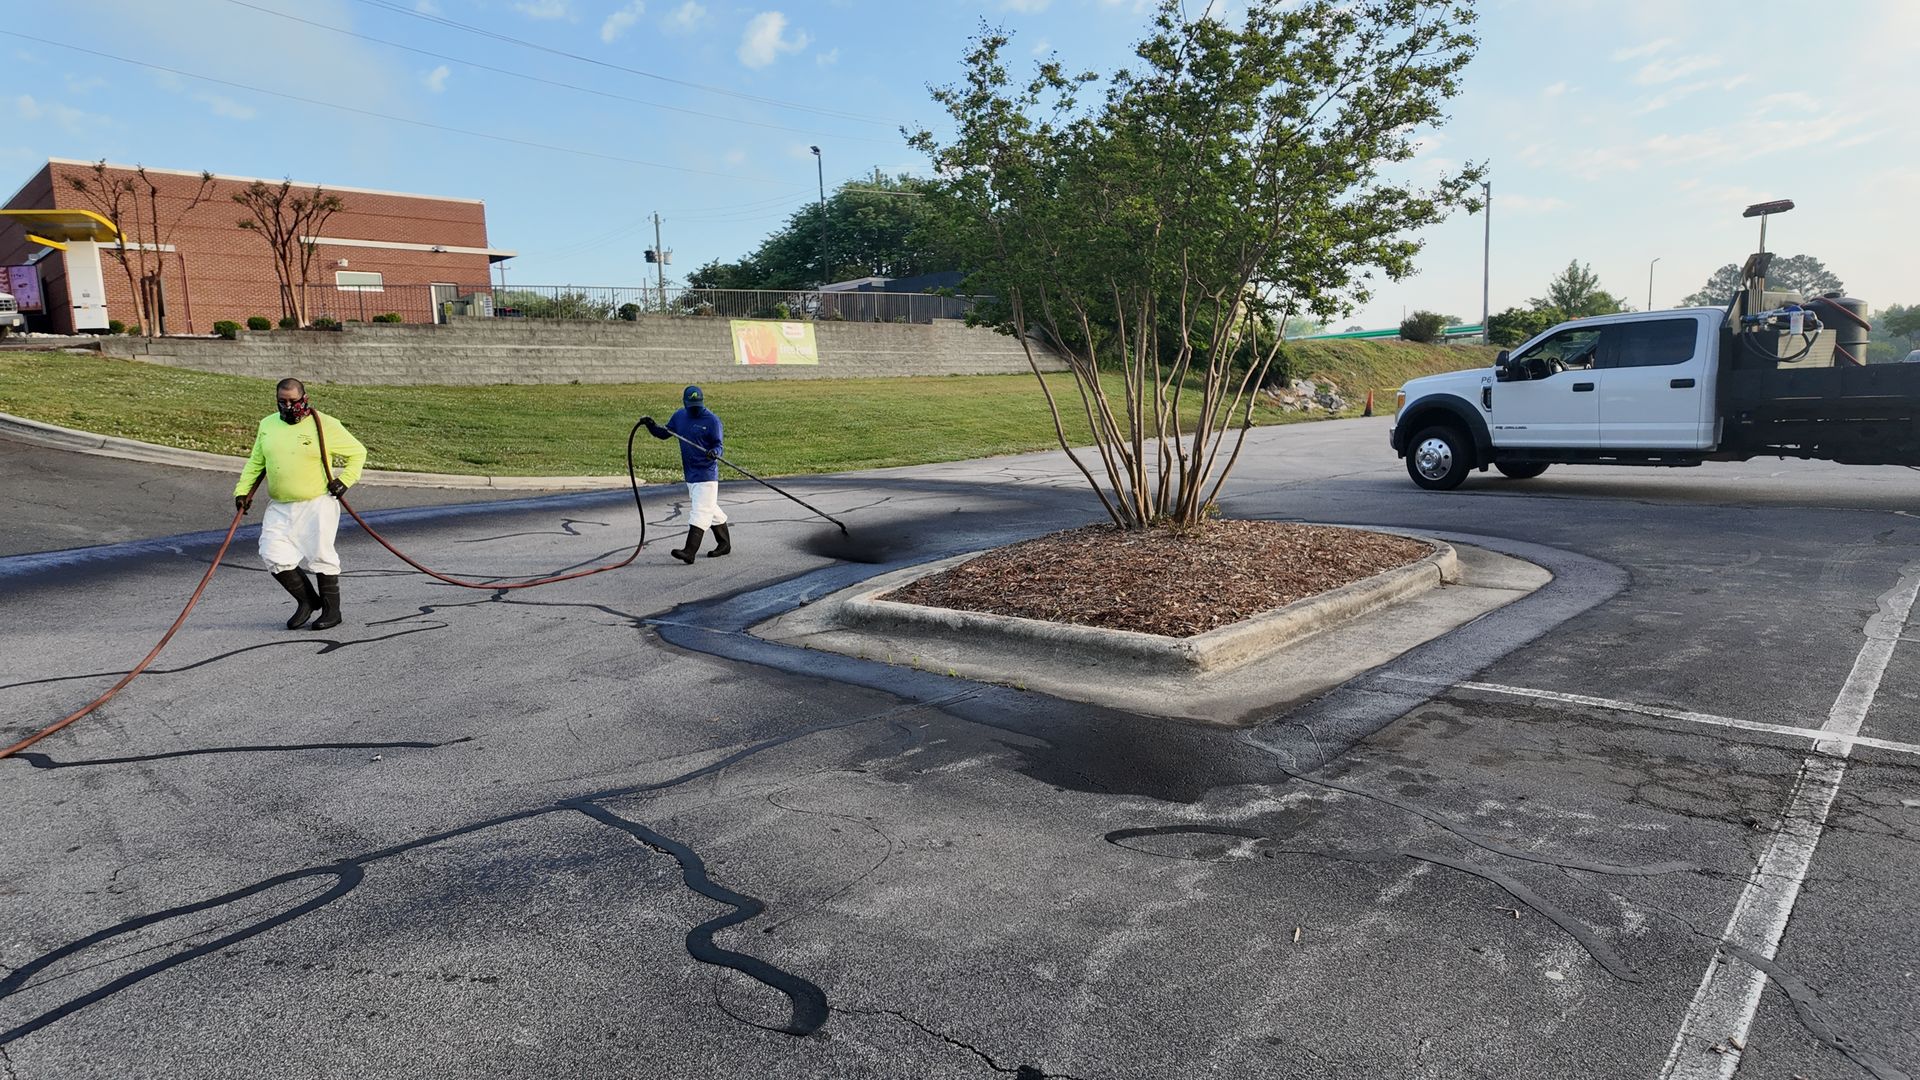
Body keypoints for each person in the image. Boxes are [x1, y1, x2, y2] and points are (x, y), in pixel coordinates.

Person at [233, 378, 366, 630]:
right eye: (282, 402)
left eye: (293, 401)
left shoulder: (324, 424)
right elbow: (256, 463)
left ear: (305, 398)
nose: (288, 406)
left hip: (317, 502)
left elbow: (357, 452)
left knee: (321, 555)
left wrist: (345, 480)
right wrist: (242, 491)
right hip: (281, 505)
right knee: (272, 553)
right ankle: (307, 601)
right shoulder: (268, 425)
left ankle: (331, 611)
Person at [642, 385, 730, 564]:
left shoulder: (712, 421)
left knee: (701, 511)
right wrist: (651, 426)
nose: (695, 408)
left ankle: (689, 551)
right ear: (685, 402)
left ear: (702, 401)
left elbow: (719, 445)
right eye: (692, 405)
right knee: (710, 508)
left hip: (706, 474)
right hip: (691, 474)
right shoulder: (680, 416)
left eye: (698, 404)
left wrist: (714, 452)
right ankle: (724, 544)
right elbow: (665, 433)